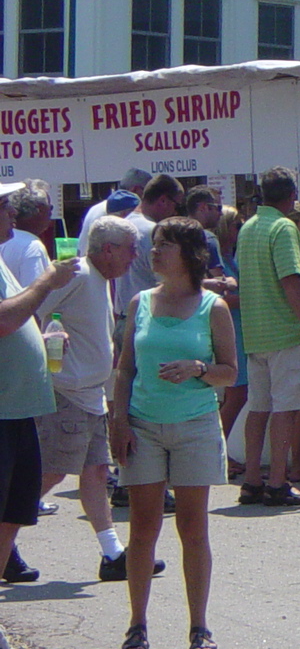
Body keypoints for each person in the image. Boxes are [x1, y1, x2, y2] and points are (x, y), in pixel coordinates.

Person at [108, 217, 238, 649]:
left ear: (189, 254)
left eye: (164, 244)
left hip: (195, 427)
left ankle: (199, 626)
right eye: (154, 243)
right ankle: (136, 625)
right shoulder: (140, 302)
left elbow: (230, 372)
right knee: (142, 529)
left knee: (192, 529)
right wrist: (117, 421)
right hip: (143, 425)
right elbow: (125, 368)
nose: (154, 252)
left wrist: (197, 369)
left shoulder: (211, 307)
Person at [36, 217, 168, 581]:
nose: (135, 256)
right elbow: (34, 308)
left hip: (90, 393)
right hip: (67, 391)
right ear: (107, 249)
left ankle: (113, 554)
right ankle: (7, 533)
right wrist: (50, 338)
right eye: (130, 249)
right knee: (51, 471)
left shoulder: (100, 278)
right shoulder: (77, 273)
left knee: (96, 472)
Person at [236, 167, 300, 508]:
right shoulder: (283, 228)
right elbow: (291, 280)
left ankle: (251, 480)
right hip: (286, 333)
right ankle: (278, 481)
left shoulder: (248, 228)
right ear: (291, 195)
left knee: (259, 408)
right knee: (287, 409)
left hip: (256, 332)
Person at [0, 182, 78, 588]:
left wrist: (42, 339)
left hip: (16, 408)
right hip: (3, 411)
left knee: (14, 514)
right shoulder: (27, 256)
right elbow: (4, 320)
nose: (11, 213)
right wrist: (47, 281)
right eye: (3, 206)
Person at [113, 174, 183, 315]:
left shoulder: (122, 224)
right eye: (177, 205)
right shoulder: (154, 232)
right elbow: (169, 283)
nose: (176, 212)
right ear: (163, 200)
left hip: (123, 318)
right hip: (148, 319)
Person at [214, 205, 249, 478]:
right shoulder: (219, 260)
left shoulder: (231, 256)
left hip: (241, 328)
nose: (240, 229)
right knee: (236, 393)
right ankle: (218, 454)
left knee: (239, 393)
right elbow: (220, 298)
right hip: (230, 329)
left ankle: (220, 451)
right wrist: (253, 298)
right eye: (236, 224)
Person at [0, 184, 52, 290]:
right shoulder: (32, 246)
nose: (13, 211)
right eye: (4, 205)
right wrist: (53, 276)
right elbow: (36, 304)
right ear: (40, 210)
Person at [78, 168, 151, 240]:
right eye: (148, 191)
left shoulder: (96, 208)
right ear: (135, 189)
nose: (149, 197)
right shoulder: (125, 210)